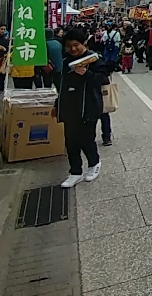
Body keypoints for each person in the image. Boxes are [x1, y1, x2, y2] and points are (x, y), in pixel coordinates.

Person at [53, 28, 108, 188]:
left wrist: (86, 74)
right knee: (70, 141)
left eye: (76, 45)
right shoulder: (66, 61)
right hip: (69, 107)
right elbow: (62, 85)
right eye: (69, 46)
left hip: (88, 106)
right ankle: (75, 171)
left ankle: (94, 164)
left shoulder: (94, 60)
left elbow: (103, 79)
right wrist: (57, 104)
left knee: (86, 139)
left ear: (83, 43)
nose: (73, 49)